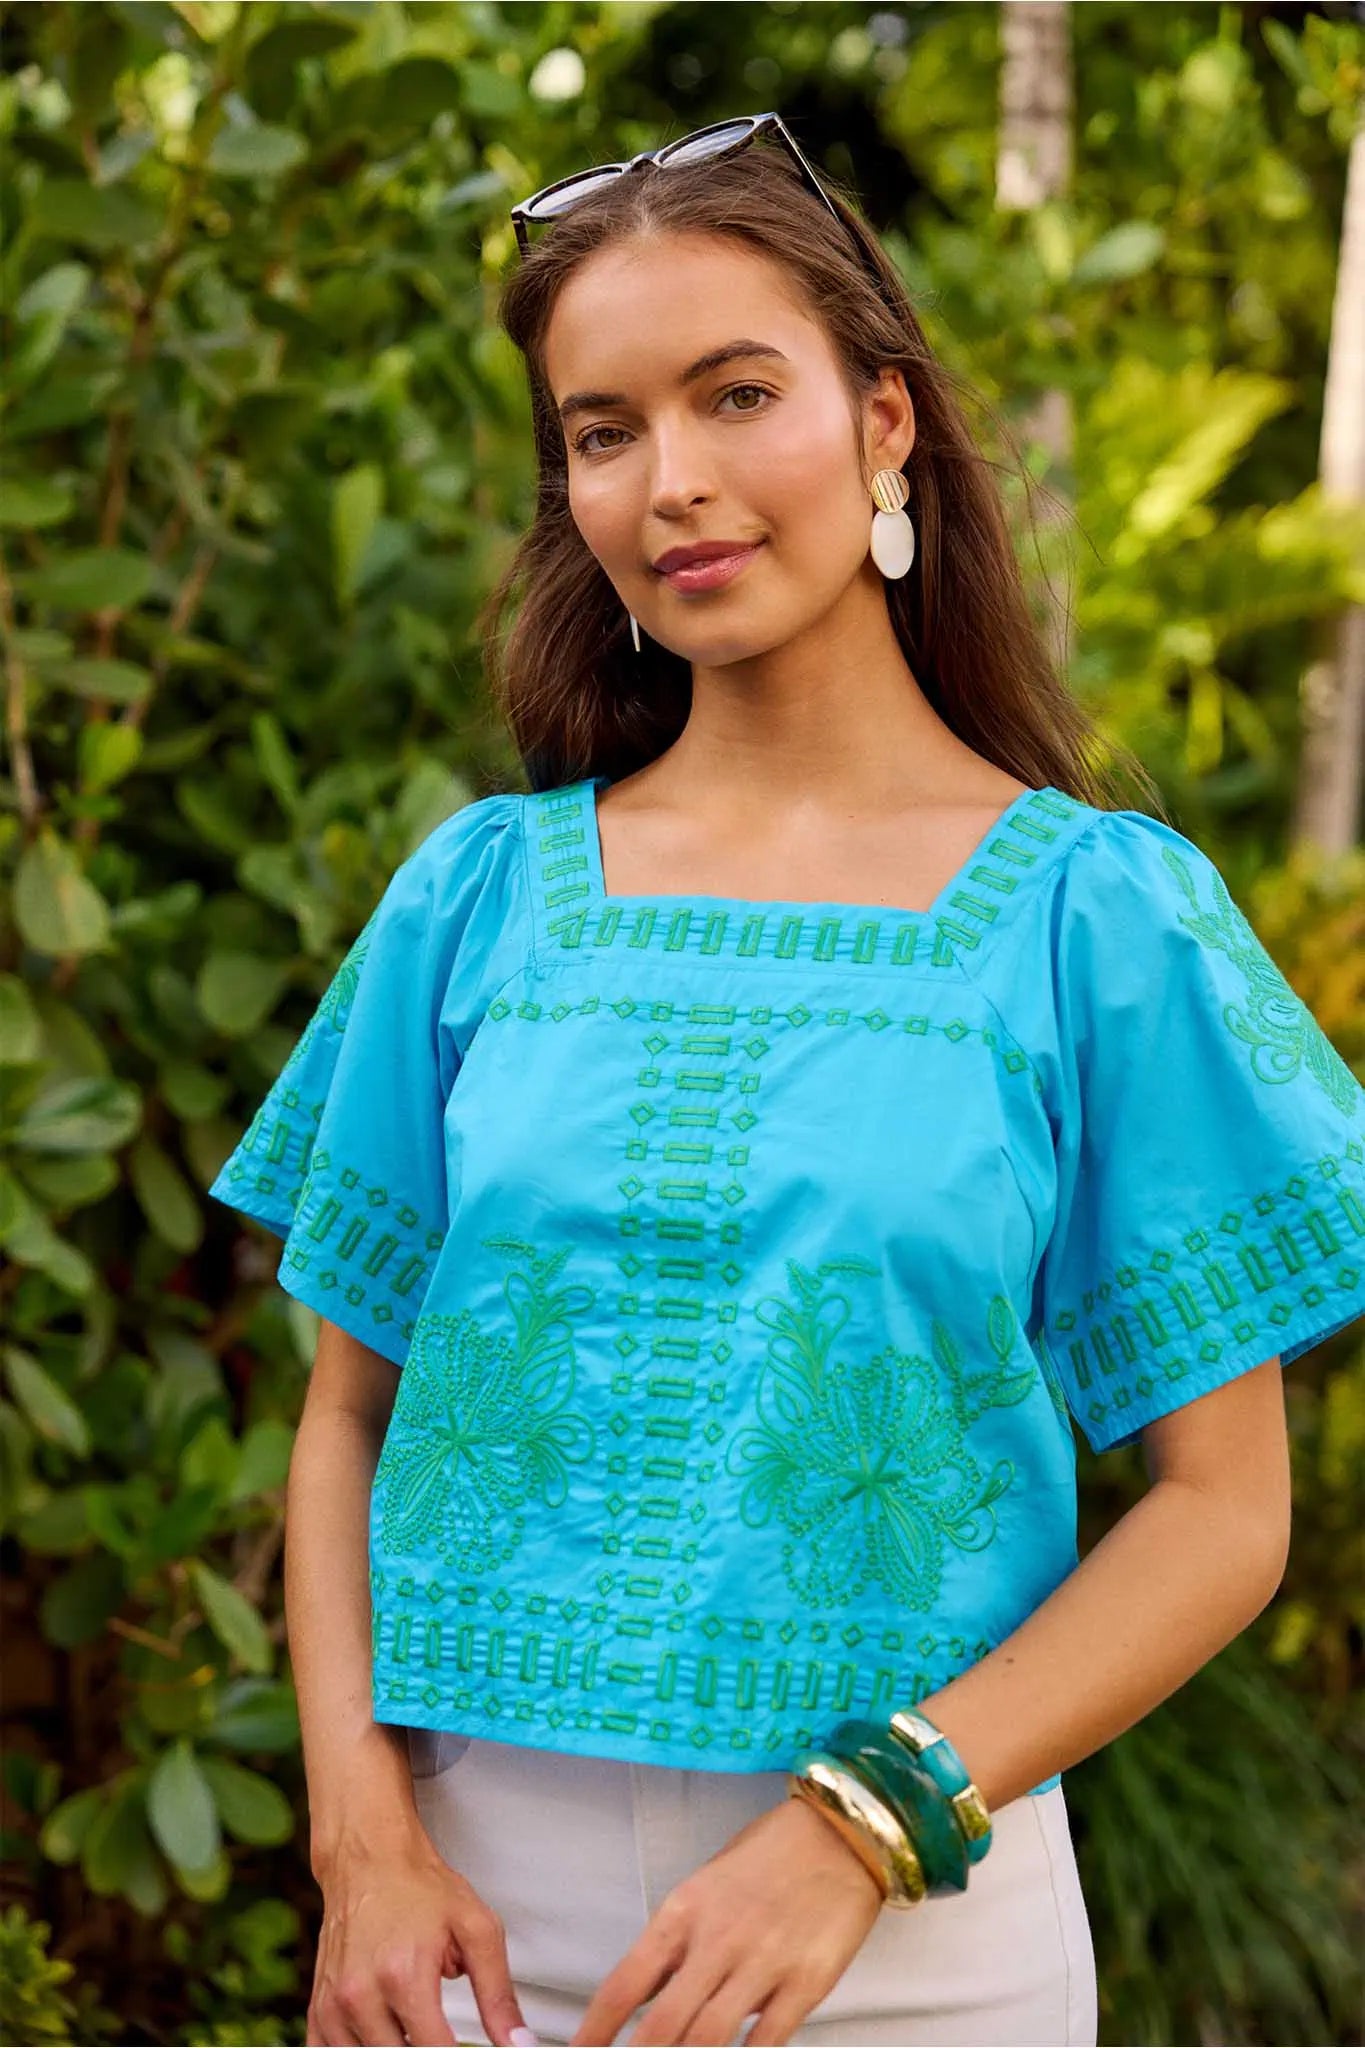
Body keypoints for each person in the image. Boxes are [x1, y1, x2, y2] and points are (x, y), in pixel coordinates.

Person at [208, 114, 1365, 2048]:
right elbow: (344, 1420)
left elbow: (1221, 1513)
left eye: (737, 394)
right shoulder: (477, 901)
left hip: (913, 1946)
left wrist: (865, 1824)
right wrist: (362, 1849)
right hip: (456, 1938)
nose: (674, 482)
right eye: (601, 428)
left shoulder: (1097, 921)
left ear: (885, 424)